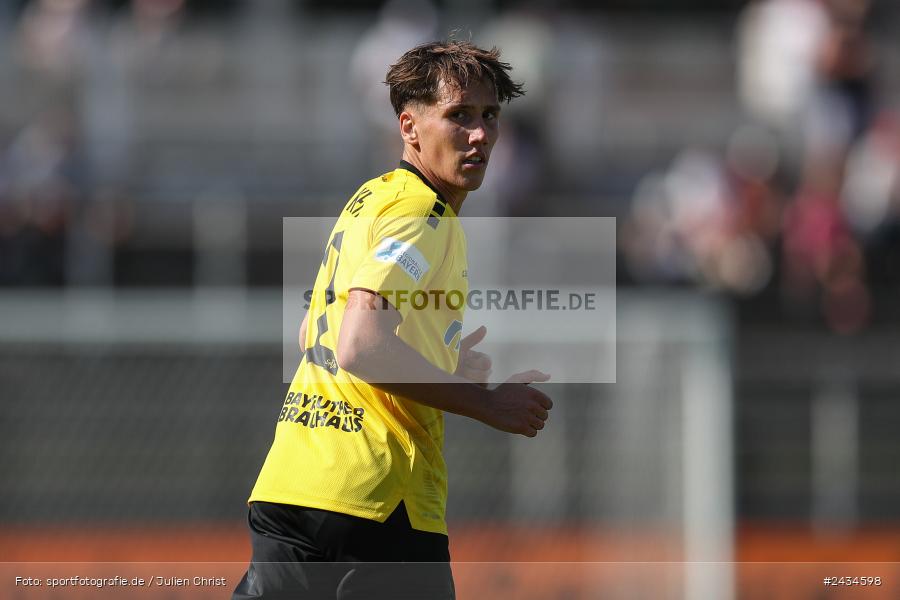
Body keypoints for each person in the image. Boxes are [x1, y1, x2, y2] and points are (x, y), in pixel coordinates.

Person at [233, 40, 553, 600]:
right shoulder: (422, 216)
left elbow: (315, 331)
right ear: (410, 126)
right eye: (459, 116)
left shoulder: (372, 199)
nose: (480, 134)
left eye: (490, 116)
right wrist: (485, 402)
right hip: (376, 504)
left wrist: (438, 357)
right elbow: (359, 345)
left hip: (292, 486)